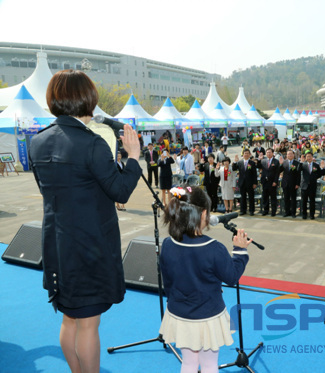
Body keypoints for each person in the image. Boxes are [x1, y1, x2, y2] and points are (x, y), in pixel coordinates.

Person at [28, 69, 142, 372]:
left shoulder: (37, 142)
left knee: (69, 317)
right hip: (90, 246)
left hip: (57, 244)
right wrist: (133, 158)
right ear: (87, 100)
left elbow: (47, 191)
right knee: (89, 324)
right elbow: (120, 192)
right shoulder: (92, 144)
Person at [159, 186, 251, 373]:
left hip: (179, 313)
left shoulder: (168, 244)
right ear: (202, 214)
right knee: (209, 364)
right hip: (207, 315)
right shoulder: (213, 248)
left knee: (189, 363)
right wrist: (240, 251)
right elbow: (231, 277)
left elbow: (168, 281)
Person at [232, 149, 257, 216]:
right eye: (245, 153)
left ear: (249, 154)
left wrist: (255, 183)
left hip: (250, 183)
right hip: (242, 183)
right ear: (243, 154)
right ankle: (243, 210)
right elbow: (234, 168)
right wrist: (234, 161)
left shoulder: (252, 163)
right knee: (243, 197)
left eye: (247, 153)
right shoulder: (239, 162)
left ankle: (251, 210)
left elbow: (254, 174)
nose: (246, 154)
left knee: (251, 197)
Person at [256, 148, 280, 216]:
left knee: (273, 197)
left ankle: (273, 211)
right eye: (267, 152)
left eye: (270, 152)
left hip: (272, 182)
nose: (268, 154)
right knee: (265, 197)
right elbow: (258, 166)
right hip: (265, 182)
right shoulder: (263, 161)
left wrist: (275, 181)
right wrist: (259, 160)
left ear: (272, 153)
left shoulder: (276, 161)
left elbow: (277, 173)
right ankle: (265, 210)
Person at [299, 151, 322, 220]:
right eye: (307, 156)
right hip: (304, 186)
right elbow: (298, 170)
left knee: (312, 201)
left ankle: (312, 215)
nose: (309, 158)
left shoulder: (316, 165)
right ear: (305, 157)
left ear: (312, 157)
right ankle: (304, 214)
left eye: (310, 156)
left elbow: (320, 174)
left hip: (312, 186)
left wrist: (314, 177)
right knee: (304, 201)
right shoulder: (303, 164)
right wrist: (301, 162)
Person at [278, 149, 301, 218]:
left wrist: (297, 184)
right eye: (288, 154)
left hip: (293, 184)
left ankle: (293, 213)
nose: (289, 155)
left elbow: (298, 175)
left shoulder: (297, 163)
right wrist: (280, 164)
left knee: (293, 199)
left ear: (293, 155)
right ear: (286, 155)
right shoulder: (284, 162)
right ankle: (287, 212)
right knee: (286, 199)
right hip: (285, 184)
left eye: (291, 154)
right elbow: (279, 171)